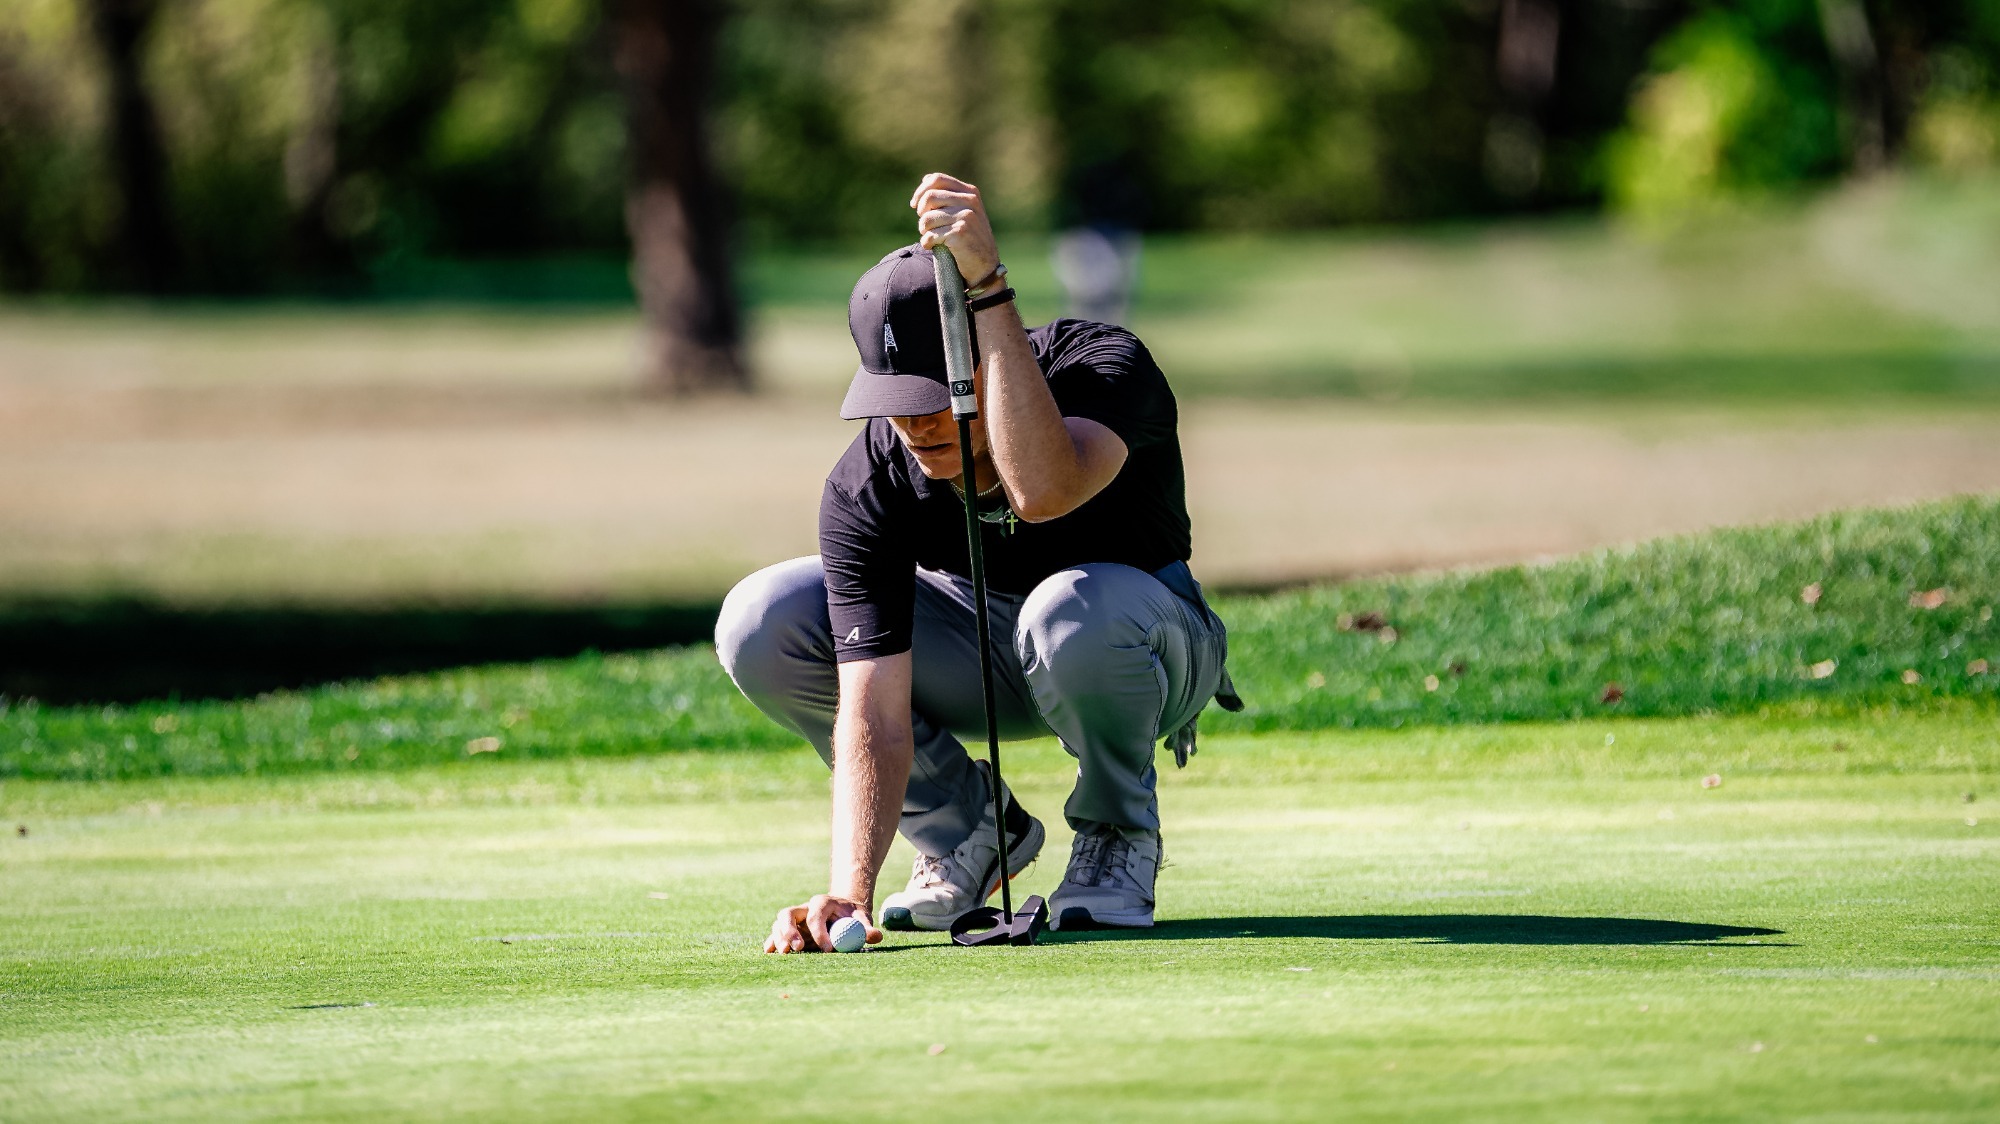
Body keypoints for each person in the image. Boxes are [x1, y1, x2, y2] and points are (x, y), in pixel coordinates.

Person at [715, 173, 1238, 954]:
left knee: (1069, 609)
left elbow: (1044, 491)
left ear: (992, 356)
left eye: (933, 395)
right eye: (893, 396)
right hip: (986, 648)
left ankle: (1116, 834)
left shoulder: (1101, 368)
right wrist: (846, 889)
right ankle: (968, 830)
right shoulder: (870, 480)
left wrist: (987, 282)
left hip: (1145, 642)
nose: (915, 423)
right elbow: (873, 713)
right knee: (764, 617)